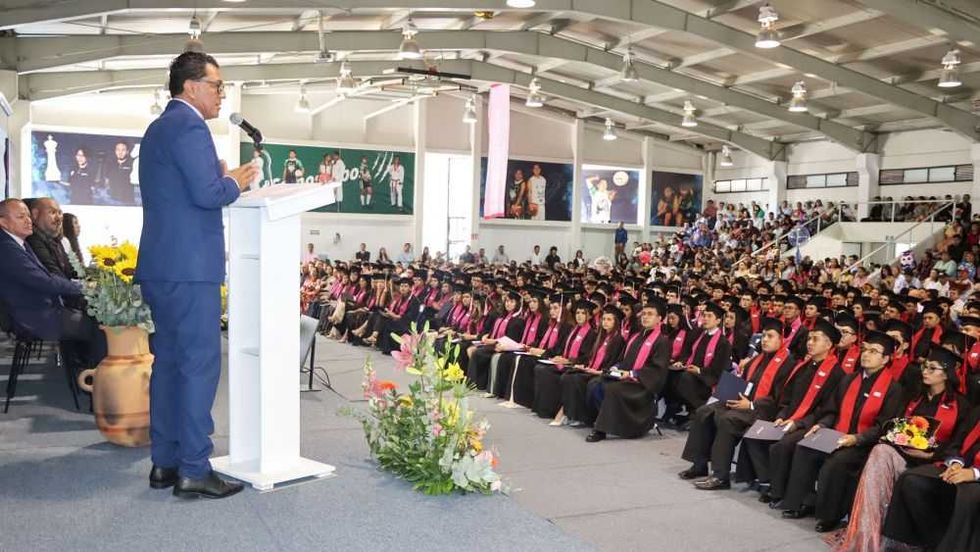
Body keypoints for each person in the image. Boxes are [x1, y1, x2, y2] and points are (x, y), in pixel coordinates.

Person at [136, 51, 257, 499]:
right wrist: (235, 182)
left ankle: (164, 463)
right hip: (190, 270)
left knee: (168, 364)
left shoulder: (158, 128)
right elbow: (208, 195)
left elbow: (183, 192)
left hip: (162, 266)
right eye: (216, 85)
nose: (221, 93)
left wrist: (216, 179)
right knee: (199, 366)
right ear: (190, 87)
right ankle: (193, 468)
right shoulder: (190, 126)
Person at [833, 345, 969, 551]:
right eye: (925, 366)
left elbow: (958, 444)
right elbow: (893, 426)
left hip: (934, 461)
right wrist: (895, 439)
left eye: (933, 368)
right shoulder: (913, 396)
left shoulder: (961, 405)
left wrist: (932, 453)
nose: (925, 371)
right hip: (903, 454)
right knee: (879, 452)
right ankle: (867, 535)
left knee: (886, 461)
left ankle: (891, 538)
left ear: (947, 374)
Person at [779, 331, 905, 532]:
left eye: (874, 351)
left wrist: (857, 438)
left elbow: (884, 427)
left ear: (886, 358)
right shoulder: (849, 379)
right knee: (805, 448)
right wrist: (821, 425)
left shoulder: (894, 389)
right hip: (836, 434)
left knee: (835, 464)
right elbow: (831, 410)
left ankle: (830, 516)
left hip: (863, 444)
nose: (866, 355)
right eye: (865, 350)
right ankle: (803, 502)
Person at [680, 318, 797, 488]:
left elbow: (781, 399)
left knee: (727, 419)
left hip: (763, 411)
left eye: (770, 336)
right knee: (704, 411)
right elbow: (744, 383)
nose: (765, 340)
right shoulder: (757, 360)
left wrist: (751, 405)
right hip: (743, 402)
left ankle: (721, 476)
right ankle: (699, 465)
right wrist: (731, 393)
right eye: (763, 336)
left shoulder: (788, 365)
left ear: (782, 339)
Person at [0, 198, 105, 374]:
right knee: (102, 326)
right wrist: (85, 288)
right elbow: (45, 282)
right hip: (36, 317)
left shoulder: (19, 243)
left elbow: (46, 277)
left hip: (43, 310)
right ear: (3, 222)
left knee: (98, 319)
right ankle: (98, 379)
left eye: (27, 215)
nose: (28, 220)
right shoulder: (7, 248)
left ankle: (92, 372)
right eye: (21, 216)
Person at [586, 298, 671, 442]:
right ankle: (605, 420)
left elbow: (657, 370)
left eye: (650, 314)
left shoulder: (662, 341)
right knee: (595, 384)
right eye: (644, 313)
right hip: (627, 379)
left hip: (642, 385)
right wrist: (616, 368)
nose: (645, 317)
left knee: (612, 389)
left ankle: (601, 430)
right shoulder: (636, 336)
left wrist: (632, 374)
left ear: (660, 319)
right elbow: (624, 360)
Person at [26, 198, 77, 280]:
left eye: (60, 213)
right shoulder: (32, 240)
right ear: (35, 214)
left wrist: (96, 273)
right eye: (52, 212)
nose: (58, 218)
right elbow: (54, 274)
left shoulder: (55, 240)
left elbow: (73, 271)